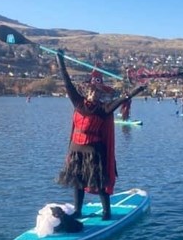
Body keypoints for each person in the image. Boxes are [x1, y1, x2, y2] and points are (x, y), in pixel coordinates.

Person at [55, 51, 145, 219]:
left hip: (94, 151)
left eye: (98, 93)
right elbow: (67, 82)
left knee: (100, 182)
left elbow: (121, 100)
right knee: (78, 182)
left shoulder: (103, 109)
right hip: (76, 150)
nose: (95, 95)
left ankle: (106, 212)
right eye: (92, 92)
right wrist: (59, 59)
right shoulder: (77, 102)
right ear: (88, 91)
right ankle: (78, 211)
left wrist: (137, 89)